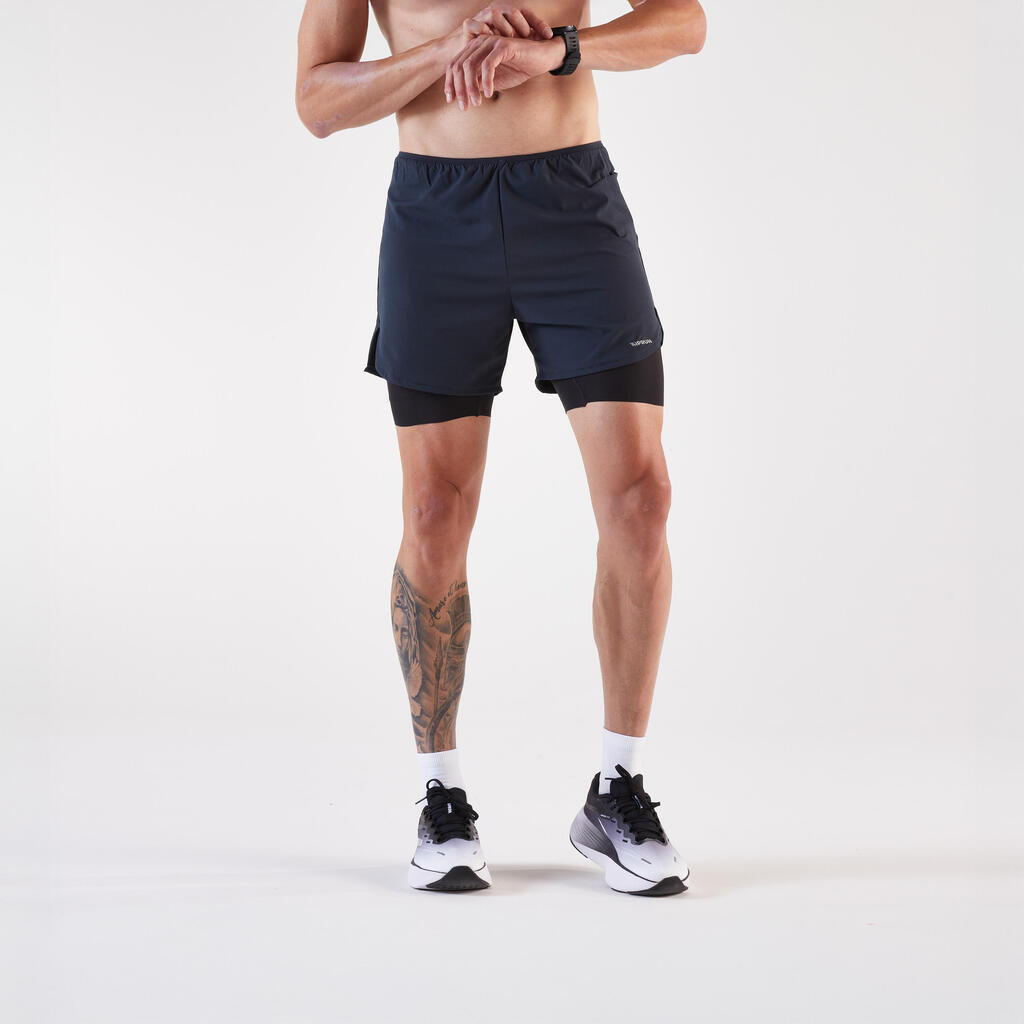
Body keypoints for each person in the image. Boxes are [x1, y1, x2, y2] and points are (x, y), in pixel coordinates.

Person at [295, 0, 706, 895]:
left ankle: (618, 785)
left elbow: (685, 24)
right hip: (437, 218)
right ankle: (441, 794)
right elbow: (318, 101)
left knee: (641, 498)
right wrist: (441, 54)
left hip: (573, 203)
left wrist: (558, 52)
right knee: (433, 512)